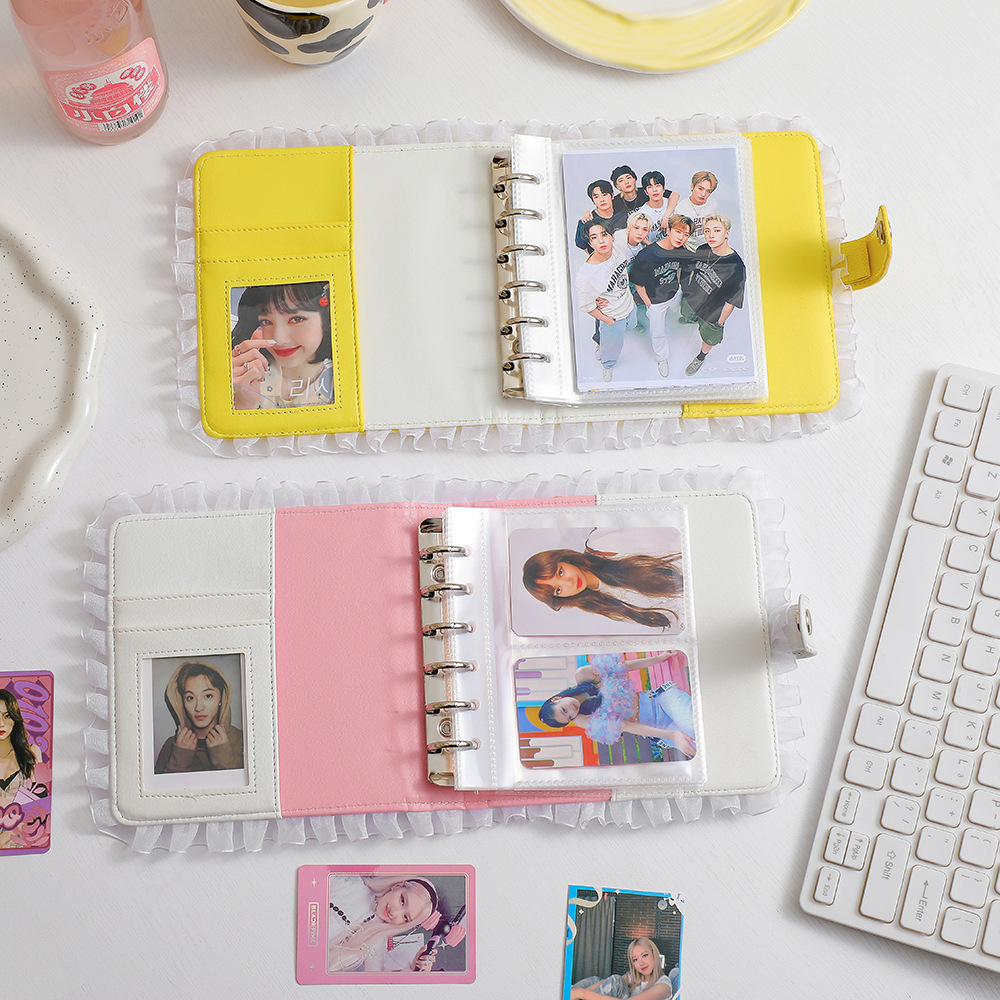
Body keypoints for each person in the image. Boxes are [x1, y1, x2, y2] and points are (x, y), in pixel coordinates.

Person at [522, 527, 684, 630]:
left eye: (560, 572)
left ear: (564, 559)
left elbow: (669, 537)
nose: (569, 583)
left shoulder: (600, 545)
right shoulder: (603, 605)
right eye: (558, 590)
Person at [538, 653, 696, 756]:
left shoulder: (583, 674)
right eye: (569, 718)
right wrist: (671, 735)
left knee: (694, 729)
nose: (572, 712)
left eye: (564, 710)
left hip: (660, 700)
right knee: (696, 746)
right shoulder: (582, 718)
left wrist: (659, 658)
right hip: (657, 727)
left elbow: (625, 666)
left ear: (556, 699)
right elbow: (626, 726)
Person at [230, 281, 334, 409]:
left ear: (326, 317)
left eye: (296, 319)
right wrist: (242, 403)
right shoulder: (243, 378)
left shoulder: (343, 380)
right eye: (266, 321)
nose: (279, 339)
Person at [328, 874, 442, 974]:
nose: (394, 912)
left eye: (405, 917)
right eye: (402, 900)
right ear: (397, 886)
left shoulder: (377, 943)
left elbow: (377, 981)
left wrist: (413, 968)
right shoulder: (351, 884)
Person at [678, 213, 746, 377]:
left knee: (709, 337)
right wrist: (687, 289)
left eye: (717, 230)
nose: (711, 235)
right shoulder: (703, 249)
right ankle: (691, 319)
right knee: (686, 313)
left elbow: (732, 300)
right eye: (707, 231)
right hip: (694, 298)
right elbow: (693, 269)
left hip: (712, 310)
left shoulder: (736, 267)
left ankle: (701, 357)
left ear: (727, 233)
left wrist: (719, 322)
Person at [628, 214, 695, 377]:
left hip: (673, 292)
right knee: (658, 332)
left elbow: (685, 269)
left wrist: (681, 287)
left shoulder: (683, 252)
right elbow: (638, 283)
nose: (681, 237)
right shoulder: (647, 255)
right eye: (678, 231)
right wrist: (649, 304)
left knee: (675, 308)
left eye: (686, 234)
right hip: (655, 301)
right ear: (669, 230)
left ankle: (677, 311)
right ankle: (662, 358)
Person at [154, 660, 244, 774]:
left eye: (208, 696)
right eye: (190, 698)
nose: (199, 707)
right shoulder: (171, 746)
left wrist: (224, 759)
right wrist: (179, 759)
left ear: (221, 698)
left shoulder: (242, 741)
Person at [574, 221, 635, 383]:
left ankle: (607, 342)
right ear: (590, 243)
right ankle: (607, 365)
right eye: (594, 237)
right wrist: (608, 321)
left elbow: (633, 226)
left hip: (629, 303)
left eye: (604, 234)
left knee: (633, 325)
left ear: (612, 236)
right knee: (612, 348)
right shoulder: (585, 276)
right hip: (613, 316)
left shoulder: (619, 242)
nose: (601, 241)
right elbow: (586, 306)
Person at [571, 937, 674, 998]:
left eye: (645, 955)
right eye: (635, 959)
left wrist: (582, 993)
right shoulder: (634, 978)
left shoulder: (664, 984)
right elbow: (606, 982)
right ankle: (568, 995)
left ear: (654, 954)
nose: (641, 963)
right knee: (595, 980)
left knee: (616, 980)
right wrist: (579, 993)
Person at [0, 689, 41, 806]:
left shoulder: (31, 752)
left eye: (7, 716)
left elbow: (40, 803)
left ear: (15, 719)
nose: (1, 724)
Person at [575, 180, 628, 253]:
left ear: (612, 195)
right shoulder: (587, 221)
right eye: (596, 197)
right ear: (593, 200)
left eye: (604, 195)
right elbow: (583, 246)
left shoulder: (623, 214)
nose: (601, 200)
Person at [672, 170, 719, 249]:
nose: (703, 194)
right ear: (692, 186)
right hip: (688, 250)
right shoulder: (680, 209)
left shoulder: (713, 204)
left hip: (709, 248)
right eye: (700, 189)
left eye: (708, 191)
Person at [638, 170, 680, 242]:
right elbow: (640, 236)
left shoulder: (671, 204)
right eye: (650, 187)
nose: (654, 190)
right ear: (646, 192)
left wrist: (666, 217)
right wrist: (651, 246)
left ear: (663, 189)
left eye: (658, 186)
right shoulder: (642, 213)